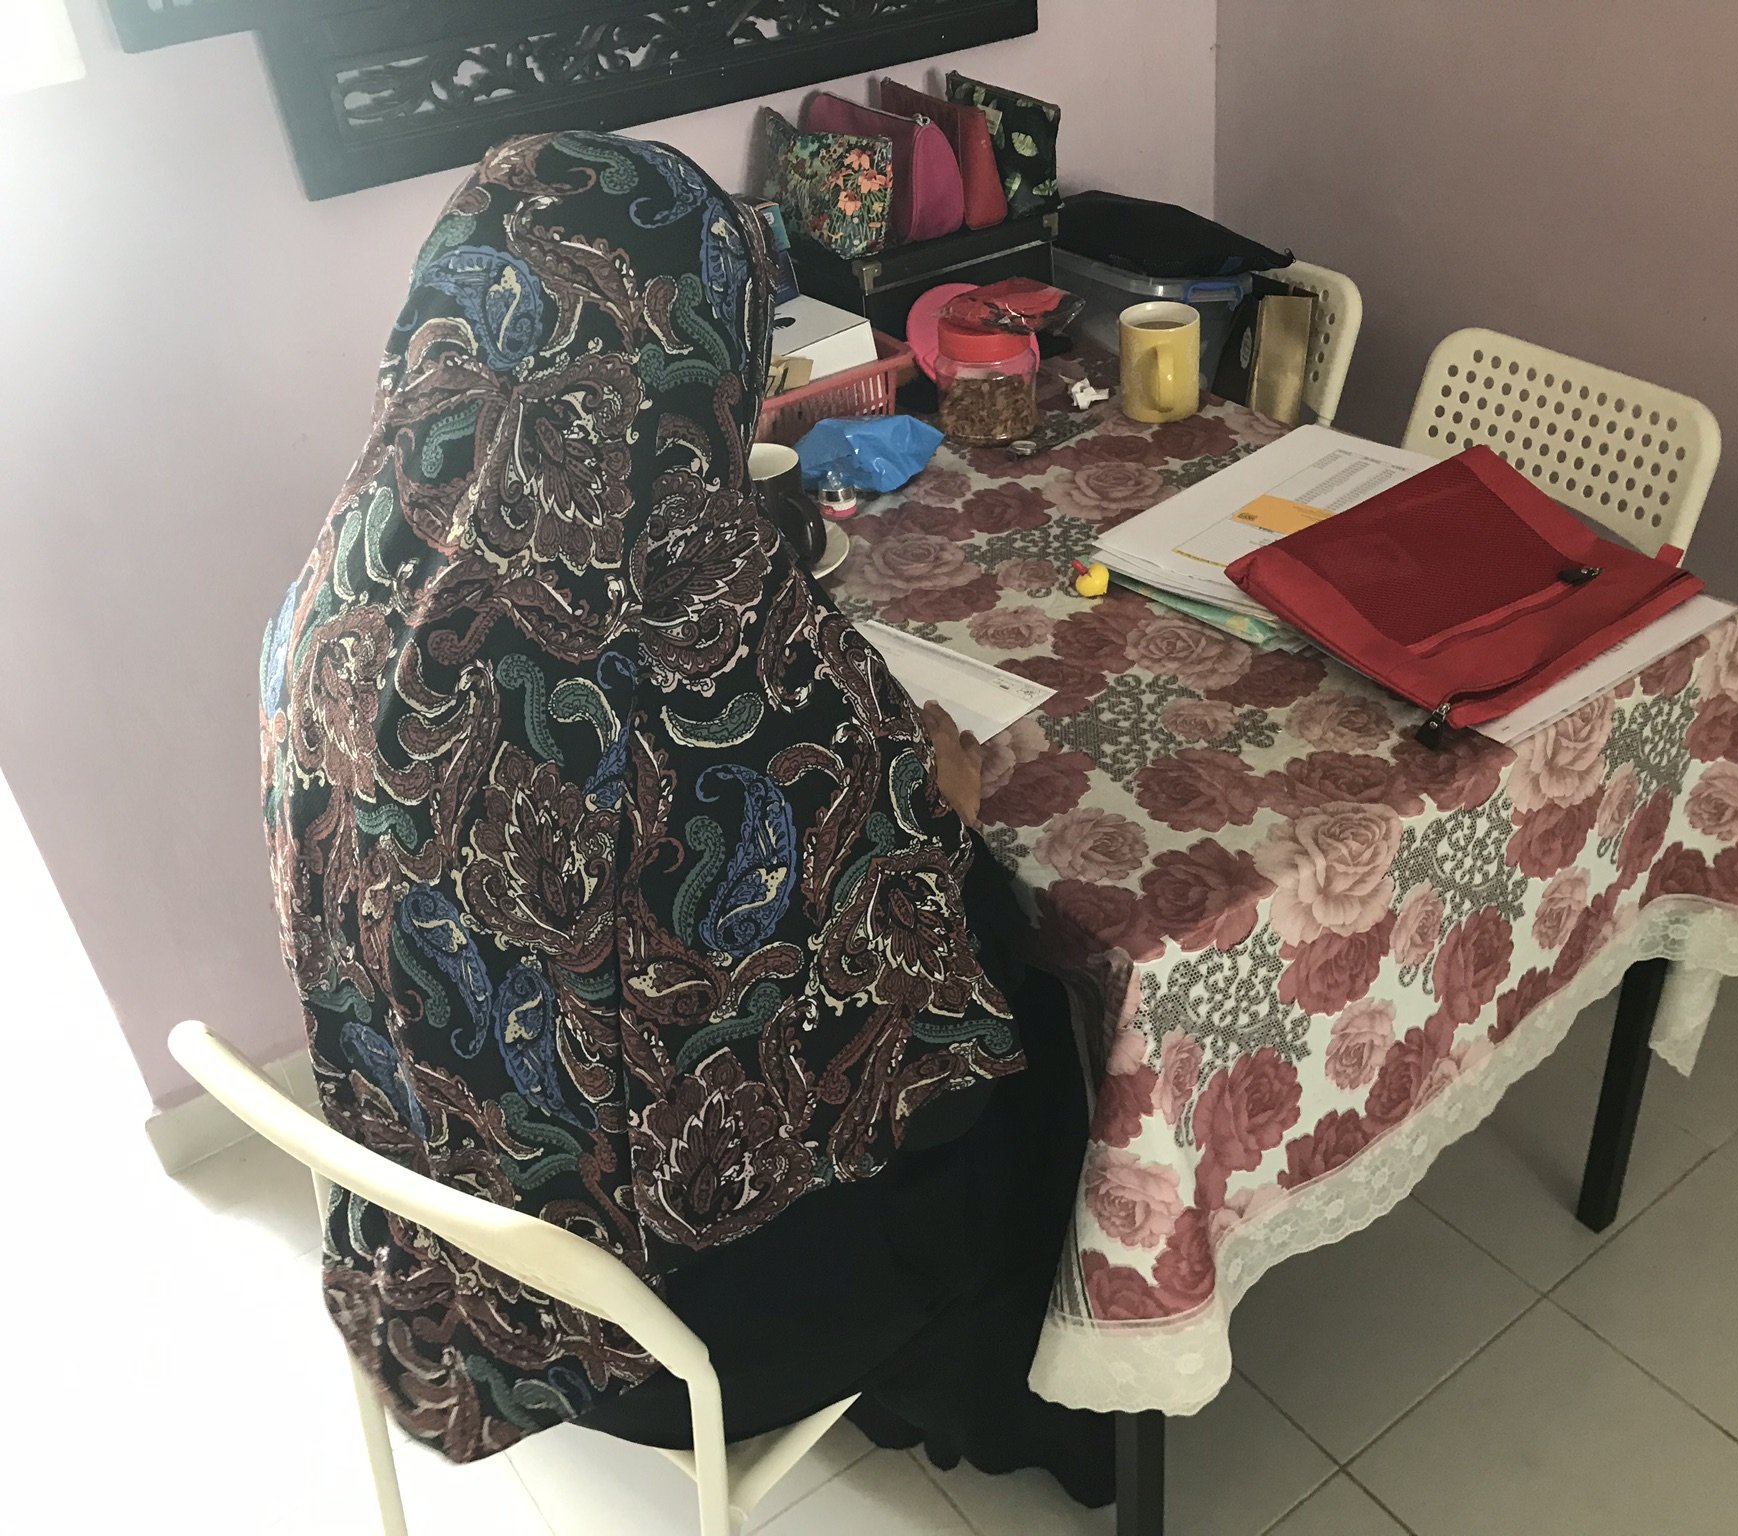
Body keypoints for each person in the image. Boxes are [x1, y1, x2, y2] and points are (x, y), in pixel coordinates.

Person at [259, 130, 1112, 1506]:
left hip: (429, 1220)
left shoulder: (344, 570)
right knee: (1024, 1008)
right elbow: (882, 941)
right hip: (652, 1326)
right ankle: (1022, 1411)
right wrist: (935, 807)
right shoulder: (704, 620)